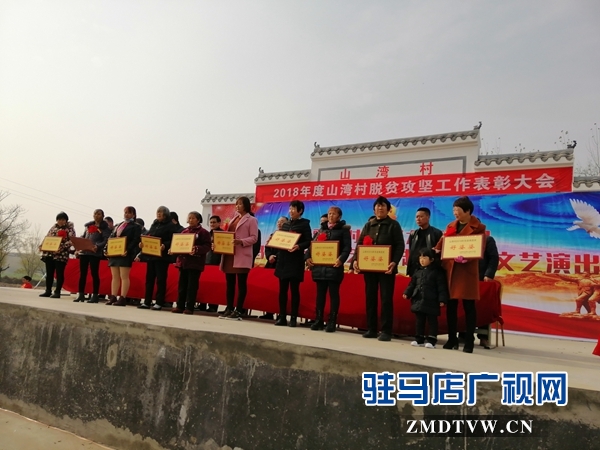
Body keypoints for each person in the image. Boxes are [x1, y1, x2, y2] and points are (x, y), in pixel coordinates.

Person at [434, 196, 486, 353]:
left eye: (458, 210)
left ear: (468, 211)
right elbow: (443, 241)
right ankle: (452, 339)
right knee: (451, 306)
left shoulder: (479, 227)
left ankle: (469, 340)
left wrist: (467, 258)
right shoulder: (451, 225)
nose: (455, 213)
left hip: (466, 271)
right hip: (451, 269)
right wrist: (437, 249)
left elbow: (479, 248)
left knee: (469, 306)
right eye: (454, 210)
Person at [352, 196, 405, 341]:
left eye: (383, 206)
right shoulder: (369, 225)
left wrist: (394, 262)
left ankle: (386, 331)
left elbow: (400, 245)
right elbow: (360, 244)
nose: (380, 208)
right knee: (370, 298)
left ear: (388, 209)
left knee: (386, 299)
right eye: (377, 206)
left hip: (387, 269)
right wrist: (356, 260)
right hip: (369, 269)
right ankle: (371, 329)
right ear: (374, 209)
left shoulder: (394, 225)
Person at [305, 206, 352, 332]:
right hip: (319, 268)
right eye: (329, 213)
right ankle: (318, 320)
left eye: (334, 214)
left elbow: (347, 248)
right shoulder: (321, 230)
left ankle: (332, 321)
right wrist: (307, 257)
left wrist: (341, 259)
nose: (331, 216)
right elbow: (311, 246)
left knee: (333, 295)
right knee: (320, 295)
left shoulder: (343, 231)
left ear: (339, 217)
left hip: (334, 268)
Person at [273, 200, 312, 327]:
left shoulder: (304, 224)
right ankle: (282, 317)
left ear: (300, 211)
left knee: (294, 291)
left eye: (293, 209)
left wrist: (299, 246)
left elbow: (308, 241)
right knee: (282, 291)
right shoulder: (286, 225)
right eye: (290, 209)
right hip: (283, 261)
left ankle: (294, 317)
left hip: (295, 261)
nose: (291, 211)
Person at [219, 196, 258, 320]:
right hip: (230, 255)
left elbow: (254, 238)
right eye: (236, 204)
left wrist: (241, 241)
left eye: (240, 204)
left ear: (246, 206)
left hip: (242, 255)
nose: (237, 206)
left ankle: (239, 310)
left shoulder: (251, 220)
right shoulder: (233, 219)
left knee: (241, 284)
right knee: (229, 284)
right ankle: (229, 308)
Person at [403, 249, 449, 348]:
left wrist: (442, 299)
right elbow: (412, 284)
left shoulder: (437, 272)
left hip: (432, 300)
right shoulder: (418, 271)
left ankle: (431, 340)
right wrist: (407, 293)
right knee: (419, 320)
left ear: (431, 259)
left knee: (432, 321)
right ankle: (419, 339)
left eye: (424, 257)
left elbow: (441, 287)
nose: (421, 260)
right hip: (419, 299)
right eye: (420, 257)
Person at [138, 206, 178, 310]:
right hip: (151, 256)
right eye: (158, 212)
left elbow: (173, 240)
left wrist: (165, 245)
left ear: (166, 214)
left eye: (161, 212)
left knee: (160, 280)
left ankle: (159, 302)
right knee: (149, 280)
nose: (159, 214)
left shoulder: (170, 225)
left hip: (162, 257)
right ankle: (147, 302)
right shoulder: (154, 224)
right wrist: (143, 243)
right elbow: (149, 235)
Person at [171, 212, 212, 314]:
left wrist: (197, 249)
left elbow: (207, 246)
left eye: (193, 218)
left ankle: (189, 307)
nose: (191, 220)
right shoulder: (184, 232)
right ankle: (180, 306)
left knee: (192, 286)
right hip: (183, 262)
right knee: (182, 286)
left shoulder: (203, 232)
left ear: (198, 220)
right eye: (189, 218)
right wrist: (173, 250)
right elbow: (178, 244)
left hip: (195, 263)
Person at [105, 206, 142, 306]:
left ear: (133, 215)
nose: (126, 214)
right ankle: (113, 296)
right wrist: (107, 249)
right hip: (115, 253)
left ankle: (122, 298)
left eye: (129, 213)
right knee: (115, 276)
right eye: (125, 212)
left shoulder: (136, 226)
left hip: (125, 254)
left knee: (124, 276)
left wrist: (127, 250)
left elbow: (135, 240)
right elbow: (111, 238)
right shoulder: (118, 225)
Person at [74, 209, 111, 303]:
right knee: (82, 274)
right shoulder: (88, 226)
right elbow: (83, 237)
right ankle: (81, 294)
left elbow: (106, 240)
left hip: (95, 253)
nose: (96, 215)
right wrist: (78, 247)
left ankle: (95, 295)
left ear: (102, 216)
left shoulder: (105, 228)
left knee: (94, 274)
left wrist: (97, 246)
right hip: (84, 252)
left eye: (99, 214)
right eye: (95, 214)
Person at [39, 212, 76, 298]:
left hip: (61, 255)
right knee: (49, 273)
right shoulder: (53, 228)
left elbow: (72, 241)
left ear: (66, 220)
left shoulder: (69, 229)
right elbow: (47, 237)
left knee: (59, 273)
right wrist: (42, 245)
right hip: (49, 253)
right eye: (59, 219)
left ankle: (57, 291)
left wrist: (61, 248)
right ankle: (48, 290)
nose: (61, 221)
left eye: (63, 220)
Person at [260, 216, 288, 320]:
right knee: (269, 290)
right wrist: (269, 256)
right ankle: (269, 312)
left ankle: (281, 313)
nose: (280, 223)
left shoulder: (289, 236)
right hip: (270, 265)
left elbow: (285, 250)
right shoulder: (273, 235)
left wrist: (276, 257)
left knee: (280, 291)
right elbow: (267, 248)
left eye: (282, 222)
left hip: (281, 265)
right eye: (278, 222)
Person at [477, 233, 500, 348]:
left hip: (482, 279)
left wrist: (489, 274)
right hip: (466, 278)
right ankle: (463, 334)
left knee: (483, 307)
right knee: (463, 307)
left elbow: (493, 258)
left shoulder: (487, 240)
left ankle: (483, 336)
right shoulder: (463, 238)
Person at [406, 207, 443, 277]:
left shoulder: (436, 233)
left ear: (428, 217)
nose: (418, 219)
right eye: (417, 217)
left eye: (421, 216)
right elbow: (411, 251)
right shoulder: (413, 234)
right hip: (415, 268)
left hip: (430, 269)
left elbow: (439, 252)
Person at [199, 215, 223, 313]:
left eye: (214, 222)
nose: (212, 224)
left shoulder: (223, 234)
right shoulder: (207, 234)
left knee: (214, 286)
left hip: (217, 263)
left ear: (219, 223)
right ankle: (202, 304)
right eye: (211, 222)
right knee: (204, 284)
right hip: (206, 262)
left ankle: (213, 306)